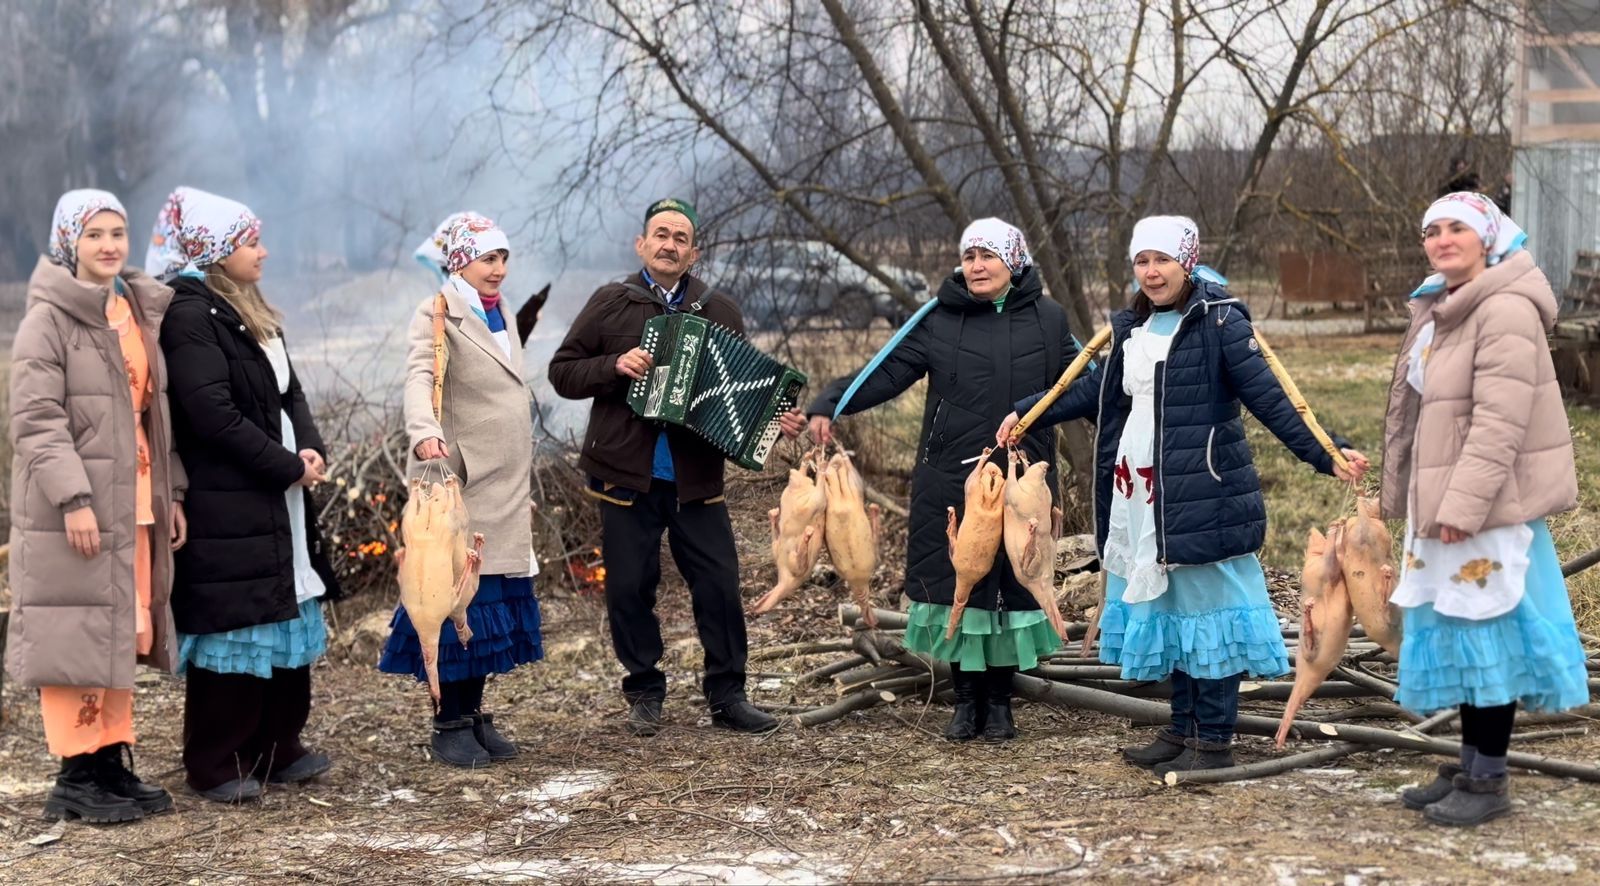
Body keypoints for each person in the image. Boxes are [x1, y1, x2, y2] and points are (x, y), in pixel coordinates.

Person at [998, 216, 1368, 773]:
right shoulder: (1132, 330)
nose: (1151, 272)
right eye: (1142, 261)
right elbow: (1092, 389)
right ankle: (1181, 727)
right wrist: (1027, 412)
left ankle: (1213, 740)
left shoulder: (1220, 323)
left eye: (1162, 260)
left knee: (1207, 613)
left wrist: (1326, 451)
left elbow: (1272, 396)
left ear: (1187, 262)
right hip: (1140, 495)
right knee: (1169, 611)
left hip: (1201, 492)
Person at [808, 219, 1077, 742]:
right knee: (965, 585)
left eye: (987, 255)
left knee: (1011, 586)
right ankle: (966, 699)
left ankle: (1000, 702)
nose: (975, 265)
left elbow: (1080, 379)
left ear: (1013, 260)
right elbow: (884, 372)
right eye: (968, 255)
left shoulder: (1048, 318)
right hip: (953, 473)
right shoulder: (938, 318)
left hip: (1024, 478)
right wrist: (831, 402)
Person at [549, 198, 804, 736]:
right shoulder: (611, 303)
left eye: (680, 237)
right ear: (641, 244)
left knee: (718, 583)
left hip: (696, 477)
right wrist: (613, 366)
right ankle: (644, 689)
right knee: (629, 588)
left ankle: (728, 694)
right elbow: (562, 373)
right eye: (660, 234)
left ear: (694, 252)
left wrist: (774, 420)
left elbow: (743, 391)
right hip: (626, 473)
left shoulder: (720, 311)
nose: (669, 244)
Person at [1381, 192, 1589, 827]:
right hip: (1445, 502)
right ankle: (1471, 763)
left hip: (1486, 507)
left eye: (1456, 230)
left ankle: (1490, 779)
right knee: (1464, 633)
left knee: (1487, 635)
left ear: (1488, 238)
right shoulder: (1442, 306)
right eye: (1432, 231)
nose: (1442, 240)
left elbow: (1500, 422)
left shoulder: (1502, 309)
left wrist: (1464, 505)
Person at [151, 187, 339, 803]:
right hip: (231, 497)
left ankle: (277, 746)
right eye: (251, 242)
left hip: (278, 492)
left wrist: (308, 448)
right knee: (237, 625)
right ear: (216, 250)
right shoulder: (189, 313)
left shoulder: (253, 310)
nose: (263, 251)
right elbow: (211, 414)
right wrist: (285, 465)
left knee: (285, 608)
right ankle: (215, 761)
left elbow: (292, 394)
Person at [6, 190, 185, 823]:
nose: (109, 245)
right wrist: (74, 499)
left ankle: (109, 760)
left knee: (118, 632)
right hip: (74, 511)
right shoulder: (48, 319)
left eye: (118, 232)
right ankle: (75, 776)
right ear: (67, 244)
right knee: (76, 634)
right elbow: (34, 419)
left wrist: (174, 493)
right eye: (93, 235)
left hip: (132, 503)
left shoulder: (130, 309)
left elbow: (152, 413)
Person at [378, 211, 543, 768]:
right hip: (460, 480)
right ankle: (447, 722)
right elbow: (419, 376)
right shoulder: (438, 311)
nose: (497, 269)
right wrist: (425, 433)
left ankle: (472, 714)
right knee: (450, 599)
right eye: (486, 258)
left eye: (502, 259)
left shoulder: (500, 316)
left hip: (504, 484)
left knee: (486, 601)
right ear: (459, 262)